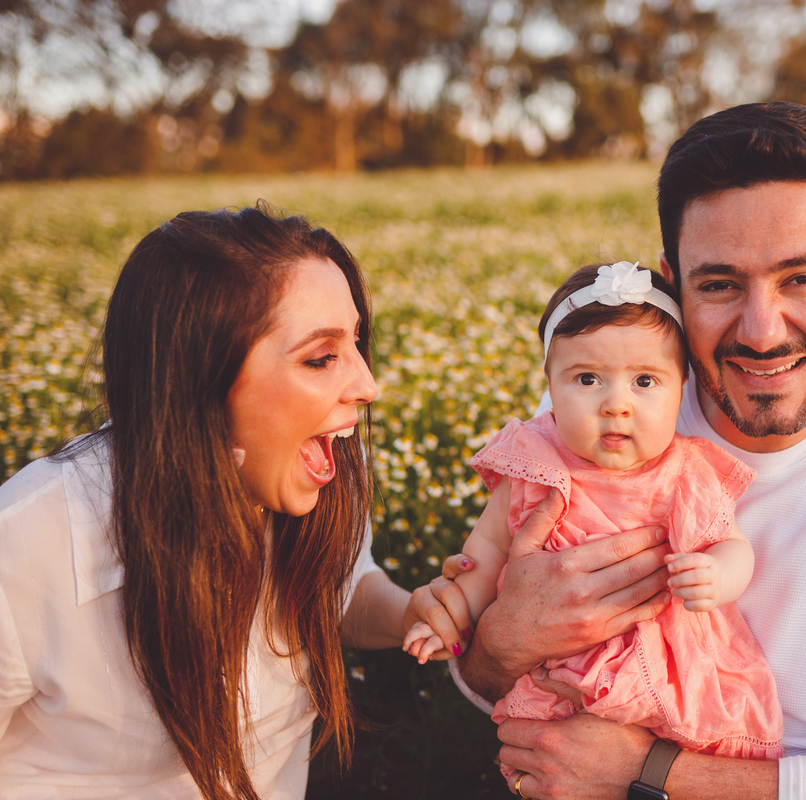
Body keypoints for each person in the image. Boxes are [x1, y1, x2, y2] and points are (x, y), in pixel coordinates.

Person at [429, 102, 806, 799]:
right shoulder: (595, 425)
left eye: (801, 278)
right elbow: (488, 680)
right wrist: (499, 645)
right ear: (671, 289)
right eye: (718, 284)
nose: (762, 330)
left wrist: (646, 774)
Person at [0, 203, 462, 799]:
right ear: (199, 379)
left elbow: (339, 589)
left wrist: (408, 614)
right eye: (321, 358)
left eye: (355, 344)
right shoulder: (26, 542)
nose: (367, 386)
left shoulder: (323, 466)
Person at [403, 261, 783, 769]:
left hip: (665, 667)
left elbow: (732, 544)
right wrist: (455, 617)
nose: (616, 405)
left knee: (666, 751)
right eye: (587, 379)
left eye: (645, 381)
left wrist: (717, 575)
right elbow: (488, 553)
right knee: (550, 765)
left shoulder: (685, 474)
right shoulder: (532, 466)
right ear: (550, 384)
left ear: (682, 387)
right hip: (553, 678)